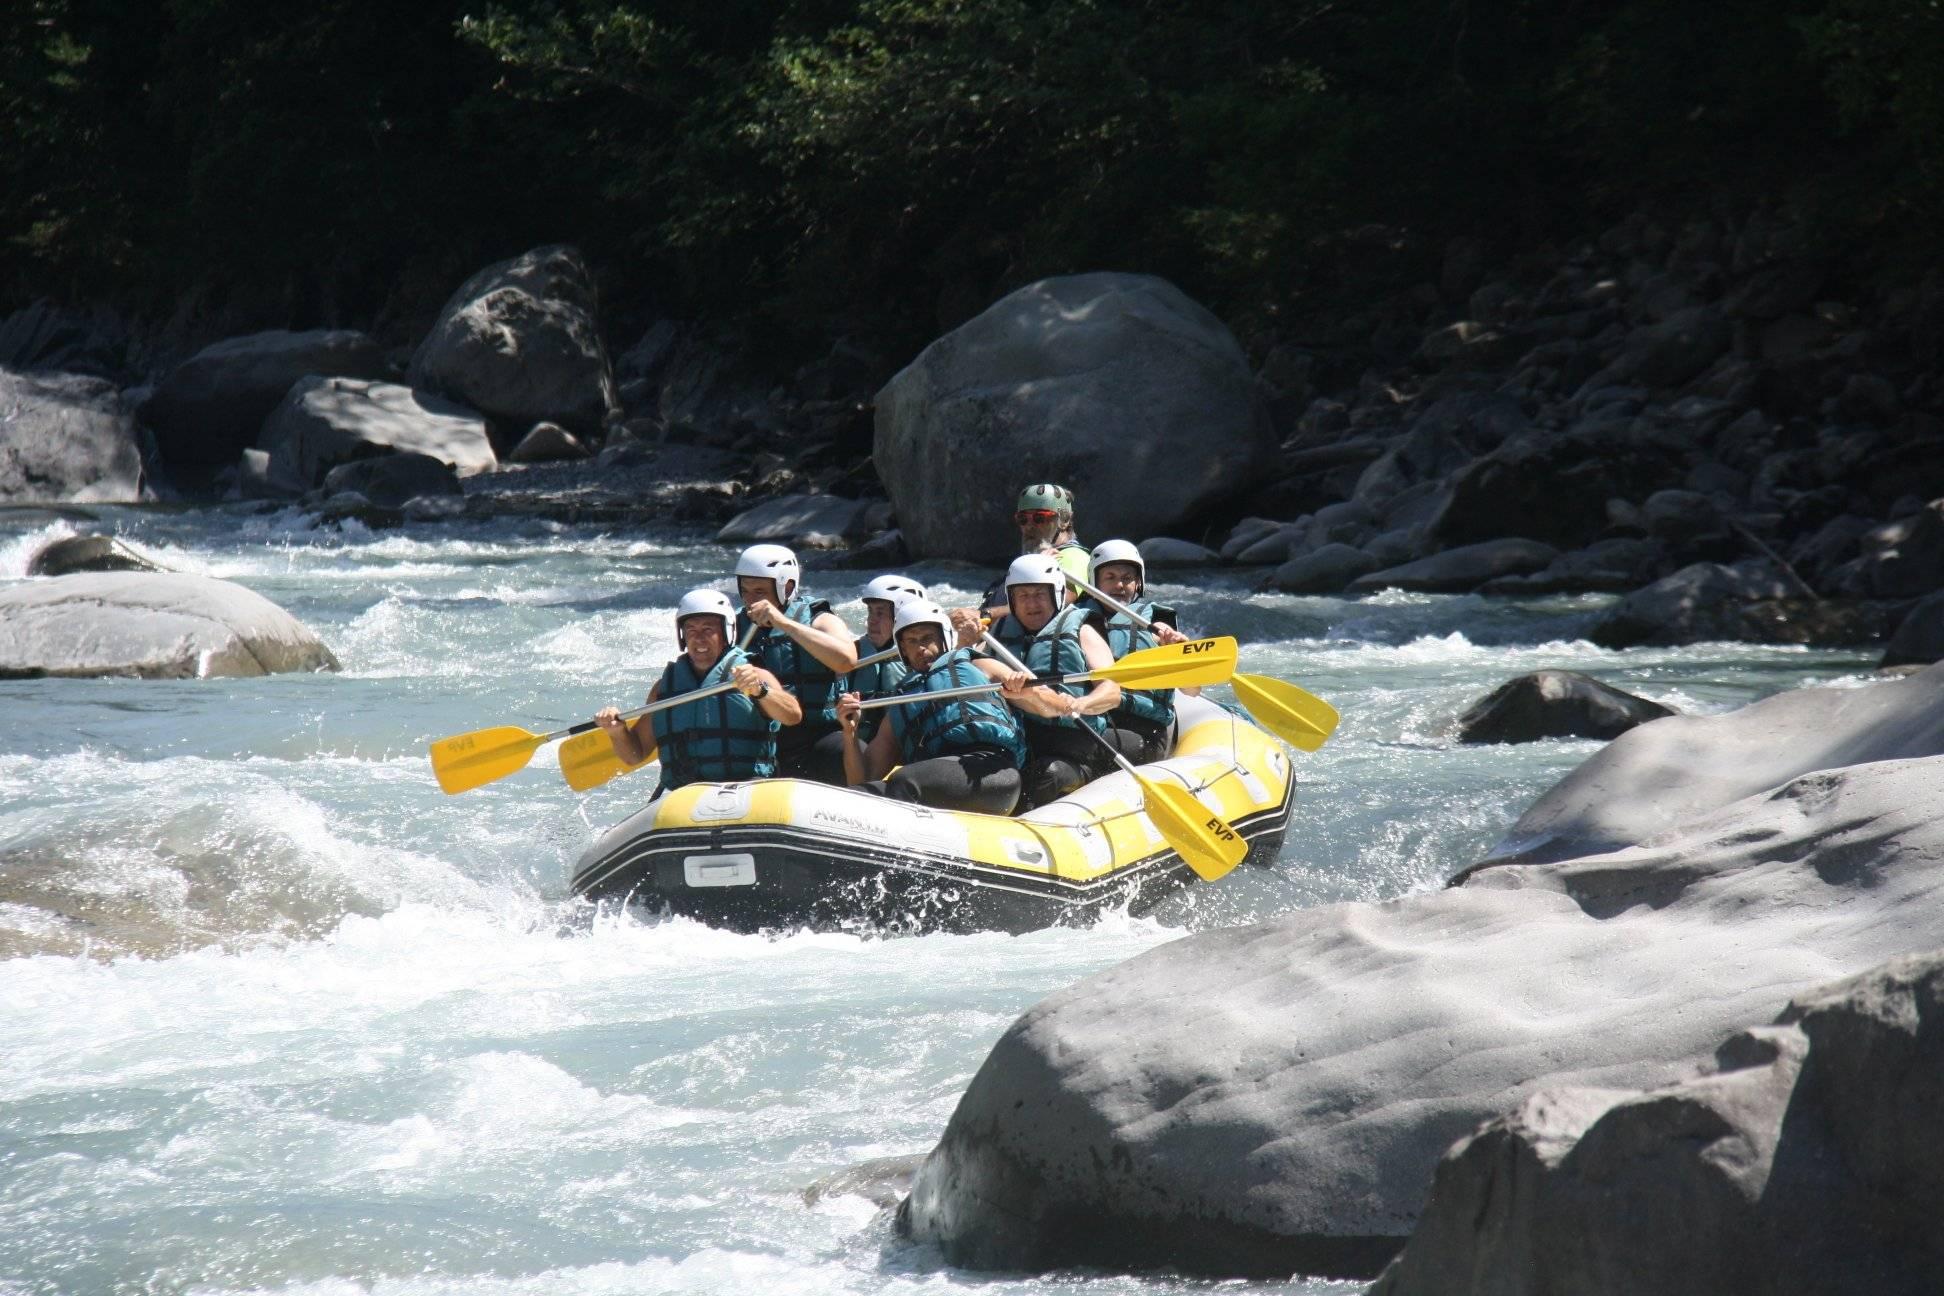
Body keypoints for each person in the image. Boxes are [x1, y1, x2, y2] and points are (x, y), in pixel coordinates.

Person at [594, 588, 800, 795]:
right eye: (691, 630)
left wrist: (761, 691)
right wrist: (617, 732)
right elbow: (634, 756)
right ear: (682, 635)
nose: (698, 638)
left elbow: (793, 715)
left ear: (726, 632)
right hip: (683, 793)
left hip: (746, 789)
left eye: (708, 629)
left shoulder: (753, 676)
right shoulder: (665, 688)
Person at [835, 599, 1027, 814]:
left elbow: (1042, 698)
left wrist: (1054, 699)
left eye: (927, 638)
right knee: (861, 794)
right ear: (903, 650)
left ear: (943, 637)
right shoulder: (902, 702)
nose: (921, 648)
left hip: (990, 772)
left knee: (905, 779)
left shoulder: (976, 665)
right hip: (936, 783)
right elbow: (863, 778)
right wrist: (849, 733)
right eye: (911, 641)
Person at [975, 553, 1121, 810]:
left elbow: (1112, 691)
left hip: (1074, 747)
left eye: (1039, 594)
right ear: (1011, 599)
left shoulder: (1082, 630)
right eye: (1023, 596)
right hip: (1018, 741)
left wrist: (1081, 704)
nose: (1032, 604)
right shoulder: (995, 634)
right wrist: (964, 640)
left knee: (1048, 774)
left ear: (1056, 595)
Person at [732, 543, 858, 784]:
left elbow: (847, 660)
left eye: (759, 591)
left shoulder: (819, 618)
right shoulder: (735, 625)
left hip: (818, 735)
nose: (750, 600)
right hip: (763, 740)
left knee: (844, 752)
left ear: (787, 587)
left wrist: (783, 624)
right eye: (745, 591)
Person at [1076, 539, 1191, 765]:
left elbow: (1192, 690)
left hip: (1144, 730)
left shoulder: (1157, 626)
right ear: (1094, 581)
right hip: (1093, 721)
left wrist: (1180, 652)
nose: (1119, 585)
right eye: (1110, 577)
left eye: (1127, 578)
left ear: (1138, 583)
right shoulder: (1074, 619)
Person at [840, 574, 927, 746]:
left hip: (906, 746)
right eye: (870, 611)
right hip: (861, 745)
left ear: (902, 617)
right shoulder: (851, 652)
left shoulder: (924, 658)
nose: (871, 620)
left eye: (880, 613)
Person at [981, 483, 1090, 617]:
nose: (1029, 526)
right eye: (1023, 519)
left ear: (1064, 519)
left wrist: (986, 615)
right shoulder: (1031, 560)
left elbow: (1056, 603)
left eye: (1040, 518)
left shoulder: (1074, 557)